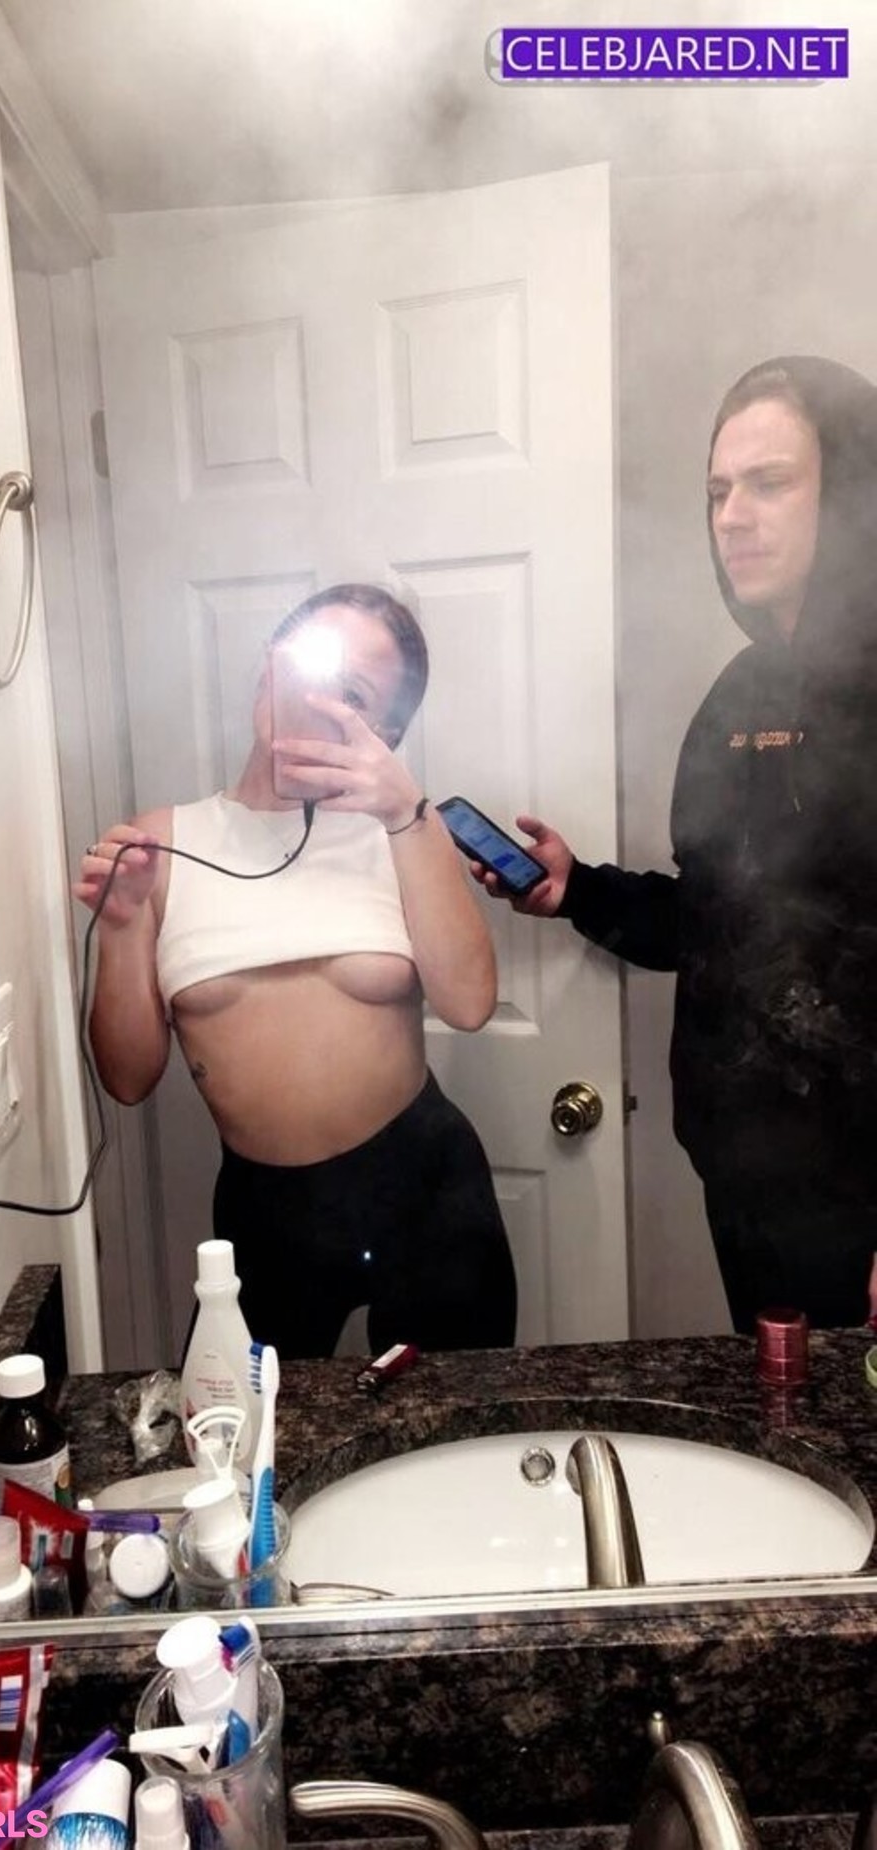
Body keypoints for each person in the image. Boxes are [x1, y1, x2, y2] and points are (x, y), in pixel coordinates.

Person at [474, 356, 877, 1333]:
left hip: (860, 1193)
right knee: (784, 1418)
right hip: (743, 1170)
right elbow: (717, 916)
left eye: (770, 482)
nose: (732, 516)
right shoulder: (741, 691)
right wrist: (576, 889)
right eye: (717, 490)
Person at [75, 584, 517, 1357]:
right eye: (312, 667)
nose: (318, 700)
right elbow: (128, 1079)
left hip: (424, 1189)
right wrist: (119, 929)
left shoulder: (405, 833)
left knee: (448, 1424)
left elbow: (470, 1003)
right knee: (248, 1427)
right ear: (266, 671)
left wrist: (407, 815)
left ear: (385, 732)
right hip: (266, 1212)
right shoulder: (160, 845)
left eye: (353, 693)